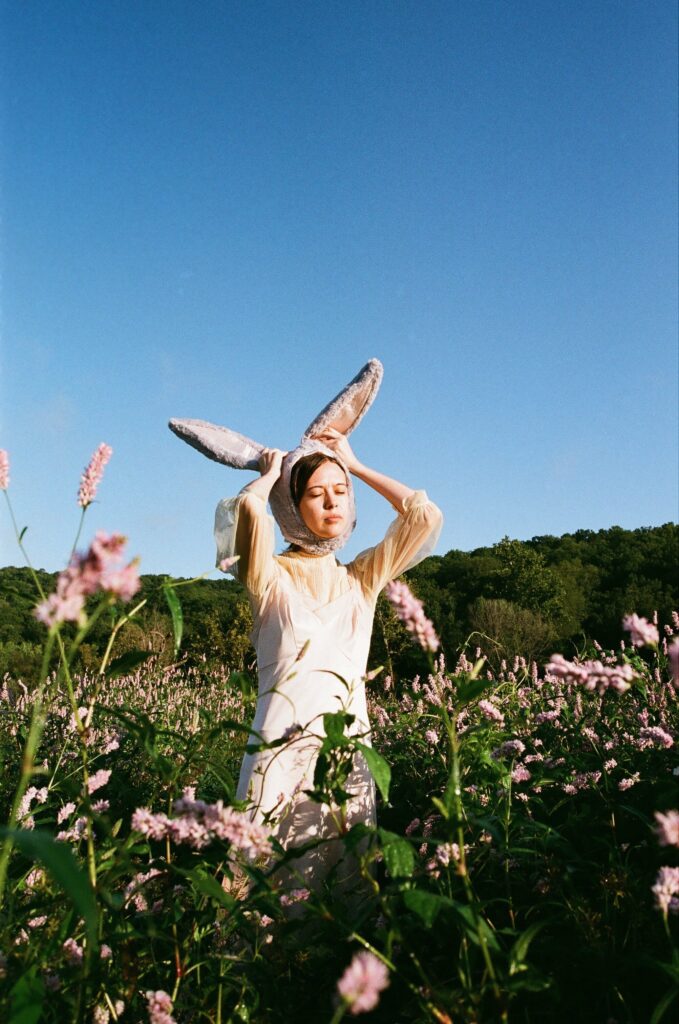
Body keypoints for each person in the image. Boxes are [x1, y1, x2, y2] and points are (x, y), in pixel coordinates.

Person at [214, 425, 442, 892]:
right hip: (278, 754)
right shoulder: (268, 578)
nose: (333, 502)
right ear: (290, 507)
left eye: (341, 492)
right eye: (316, 494)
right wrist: (271, 473)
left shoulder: (362, 578)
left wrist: (354, 464)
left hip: (346, 751)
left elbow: (423, 517)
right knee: (265, 879)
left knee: (346, 882)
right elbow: (245, 512)